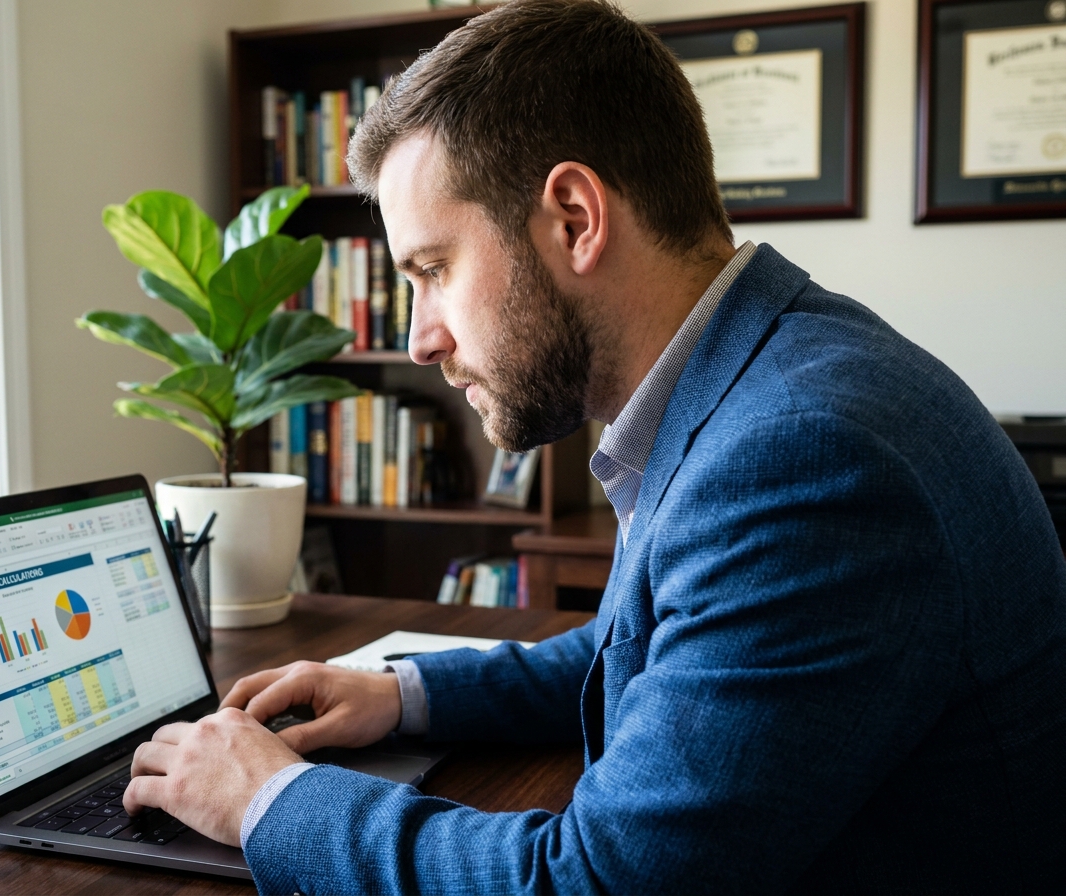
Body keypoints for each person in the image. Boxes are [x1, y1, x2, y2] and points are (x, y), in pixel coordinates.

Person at [122, 1, 1066, 892]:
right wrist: (398, 695)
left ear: (574, 218)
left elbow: (597, 880)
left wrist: (264, 798)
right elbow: (645, 651)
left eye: (434, 270)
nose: (420, 338)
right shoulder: (761, 376)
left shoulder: (801, 457)